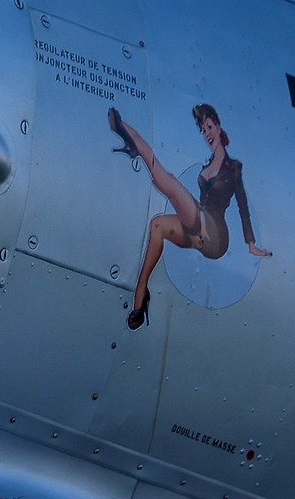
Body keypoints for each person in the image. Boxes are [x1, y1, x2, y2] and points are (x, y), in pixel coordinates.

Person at [107, 102, 269, 330]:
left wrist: (251, 243)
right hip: (198, 228)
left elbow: (243, 206)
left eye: (209, 127)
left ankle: (127, 133)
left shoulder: (233, 167)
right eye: (203, 130)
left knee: (169, 184)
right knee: (158, 225)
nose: (207, 133)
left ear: (219, 128)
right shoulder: (207, 165)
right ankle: (140, 297)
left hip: (216, 235)